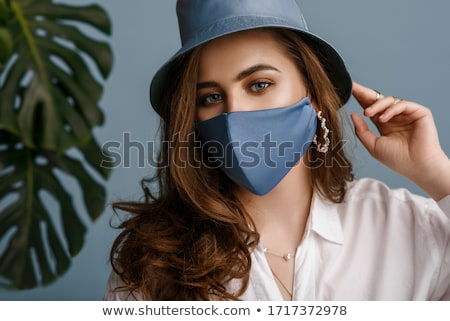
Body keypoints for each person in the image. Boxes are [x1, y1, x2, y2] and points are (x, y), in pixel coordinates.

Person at [104, 0, 450, 300]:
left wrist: (436, 173)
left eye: (259, 84)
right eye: (210, 97)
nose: (234, 113)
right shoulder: (153, 260)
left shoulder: (407, 226)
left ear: (313, 93)